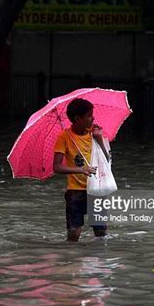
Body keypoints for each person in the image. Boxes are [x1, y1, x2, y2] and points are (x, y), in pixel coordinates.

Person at [53, 98, 110, 242]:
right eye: (89, 115)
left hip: (96, 189)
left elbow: (107, 160)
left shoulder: (94, 133)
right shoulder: (64, 137)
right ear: (77, 119)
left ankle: (98, 262)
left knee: (101, 233)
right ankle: (73, 260)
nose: (93, 118)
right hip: (75, 191)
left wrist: (99, 139)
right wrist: (80, 170)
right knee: (73, 233)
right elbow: (57, 166)